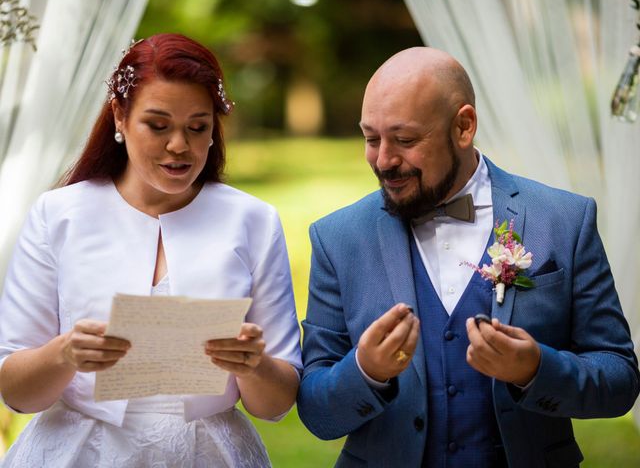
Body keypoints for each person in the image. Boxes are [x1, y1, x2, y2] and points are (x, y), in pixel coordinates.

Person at [297, 47, 640, 467]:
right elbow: (315, 411)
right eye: (371, 139)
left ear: (463, 126)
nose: (383, 160)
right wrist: (365, 371)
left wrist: (536, 369)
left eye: (405, 140)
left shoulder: (564, 220)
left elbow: (619, 378)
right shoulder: (338, 238)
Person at [0, 33, 301, 467]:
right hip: (79, 453)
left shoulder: (253, 220)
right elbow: (15, 391)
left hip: (209, 454)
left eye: (198, 127)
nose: (179, 145)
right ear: (120, 117)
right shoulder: (59, 213)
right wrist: (64, 353)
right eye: (158, 125)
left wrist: (252, 365)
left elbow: (275, 405)